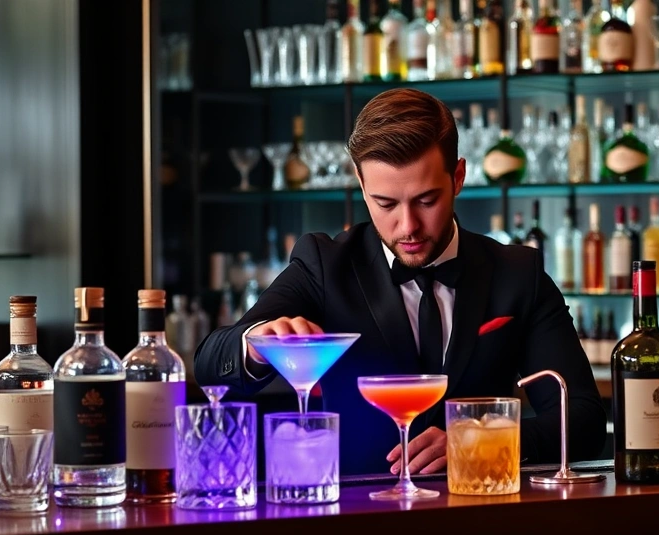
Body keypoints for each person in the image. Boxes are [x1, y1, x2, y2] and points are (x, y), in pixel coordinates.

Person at [194, 88, 607, 476]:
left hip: (484, 517)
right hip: (360, 518)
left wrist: (479, 441)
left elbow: (584, 419)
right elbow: (210, 364)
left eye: (427, 200)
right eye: (385, 203)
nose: (407, 226)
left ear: (458, 178)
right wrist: (257, 343)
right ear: (361, 184)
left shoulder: (518, 273)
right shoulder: (325, 264)